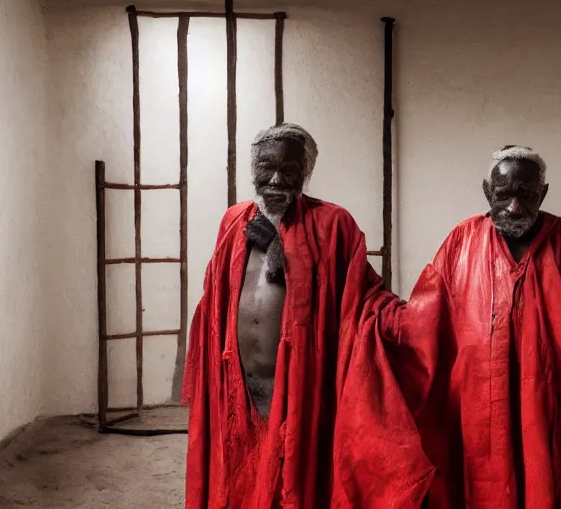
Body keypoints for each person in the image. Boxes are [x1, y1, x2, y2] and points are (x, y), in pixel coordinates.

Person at [182, 123, 433, 509]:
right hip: (237, 390)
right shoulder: (233, 222)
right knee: (237, 483)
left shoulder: (334, 225)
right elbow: (213, 302)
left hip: (300, 390)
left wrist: (279, 252)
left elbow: (363, 300)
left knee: (295, 486)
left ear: (306, 173)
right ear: (254, 169)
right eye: (267, 168)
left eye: (290, 171)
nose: (277, 180)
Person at [390, 145, 561, 508]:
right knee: (480, 482)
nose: (515, 206)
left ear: (543, 193)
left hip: (546, 403)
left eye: (527, 194)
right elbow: (422, 321)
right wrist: (376, 315)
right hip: (476, 403)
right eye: (504, 194)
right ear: (487, 191)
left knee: (544, 476)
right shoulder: (461, 242)